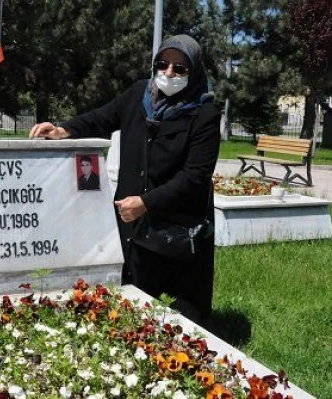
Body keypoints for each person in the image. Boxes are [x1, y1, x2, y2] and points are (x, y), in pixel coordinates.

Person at [29, 34, 220, 323]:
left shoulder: (203, 113)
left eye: (179, 69)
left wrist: (146, 202)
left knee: (177, 315)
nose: (169, 73)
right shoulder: (139, 95)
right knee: (134, 300)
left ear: (194, 73)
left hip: (176, 224)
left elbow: (195, 177)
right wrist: (62, 130)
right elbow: (102, 118)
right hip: (135, 215)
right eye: (163, 64)